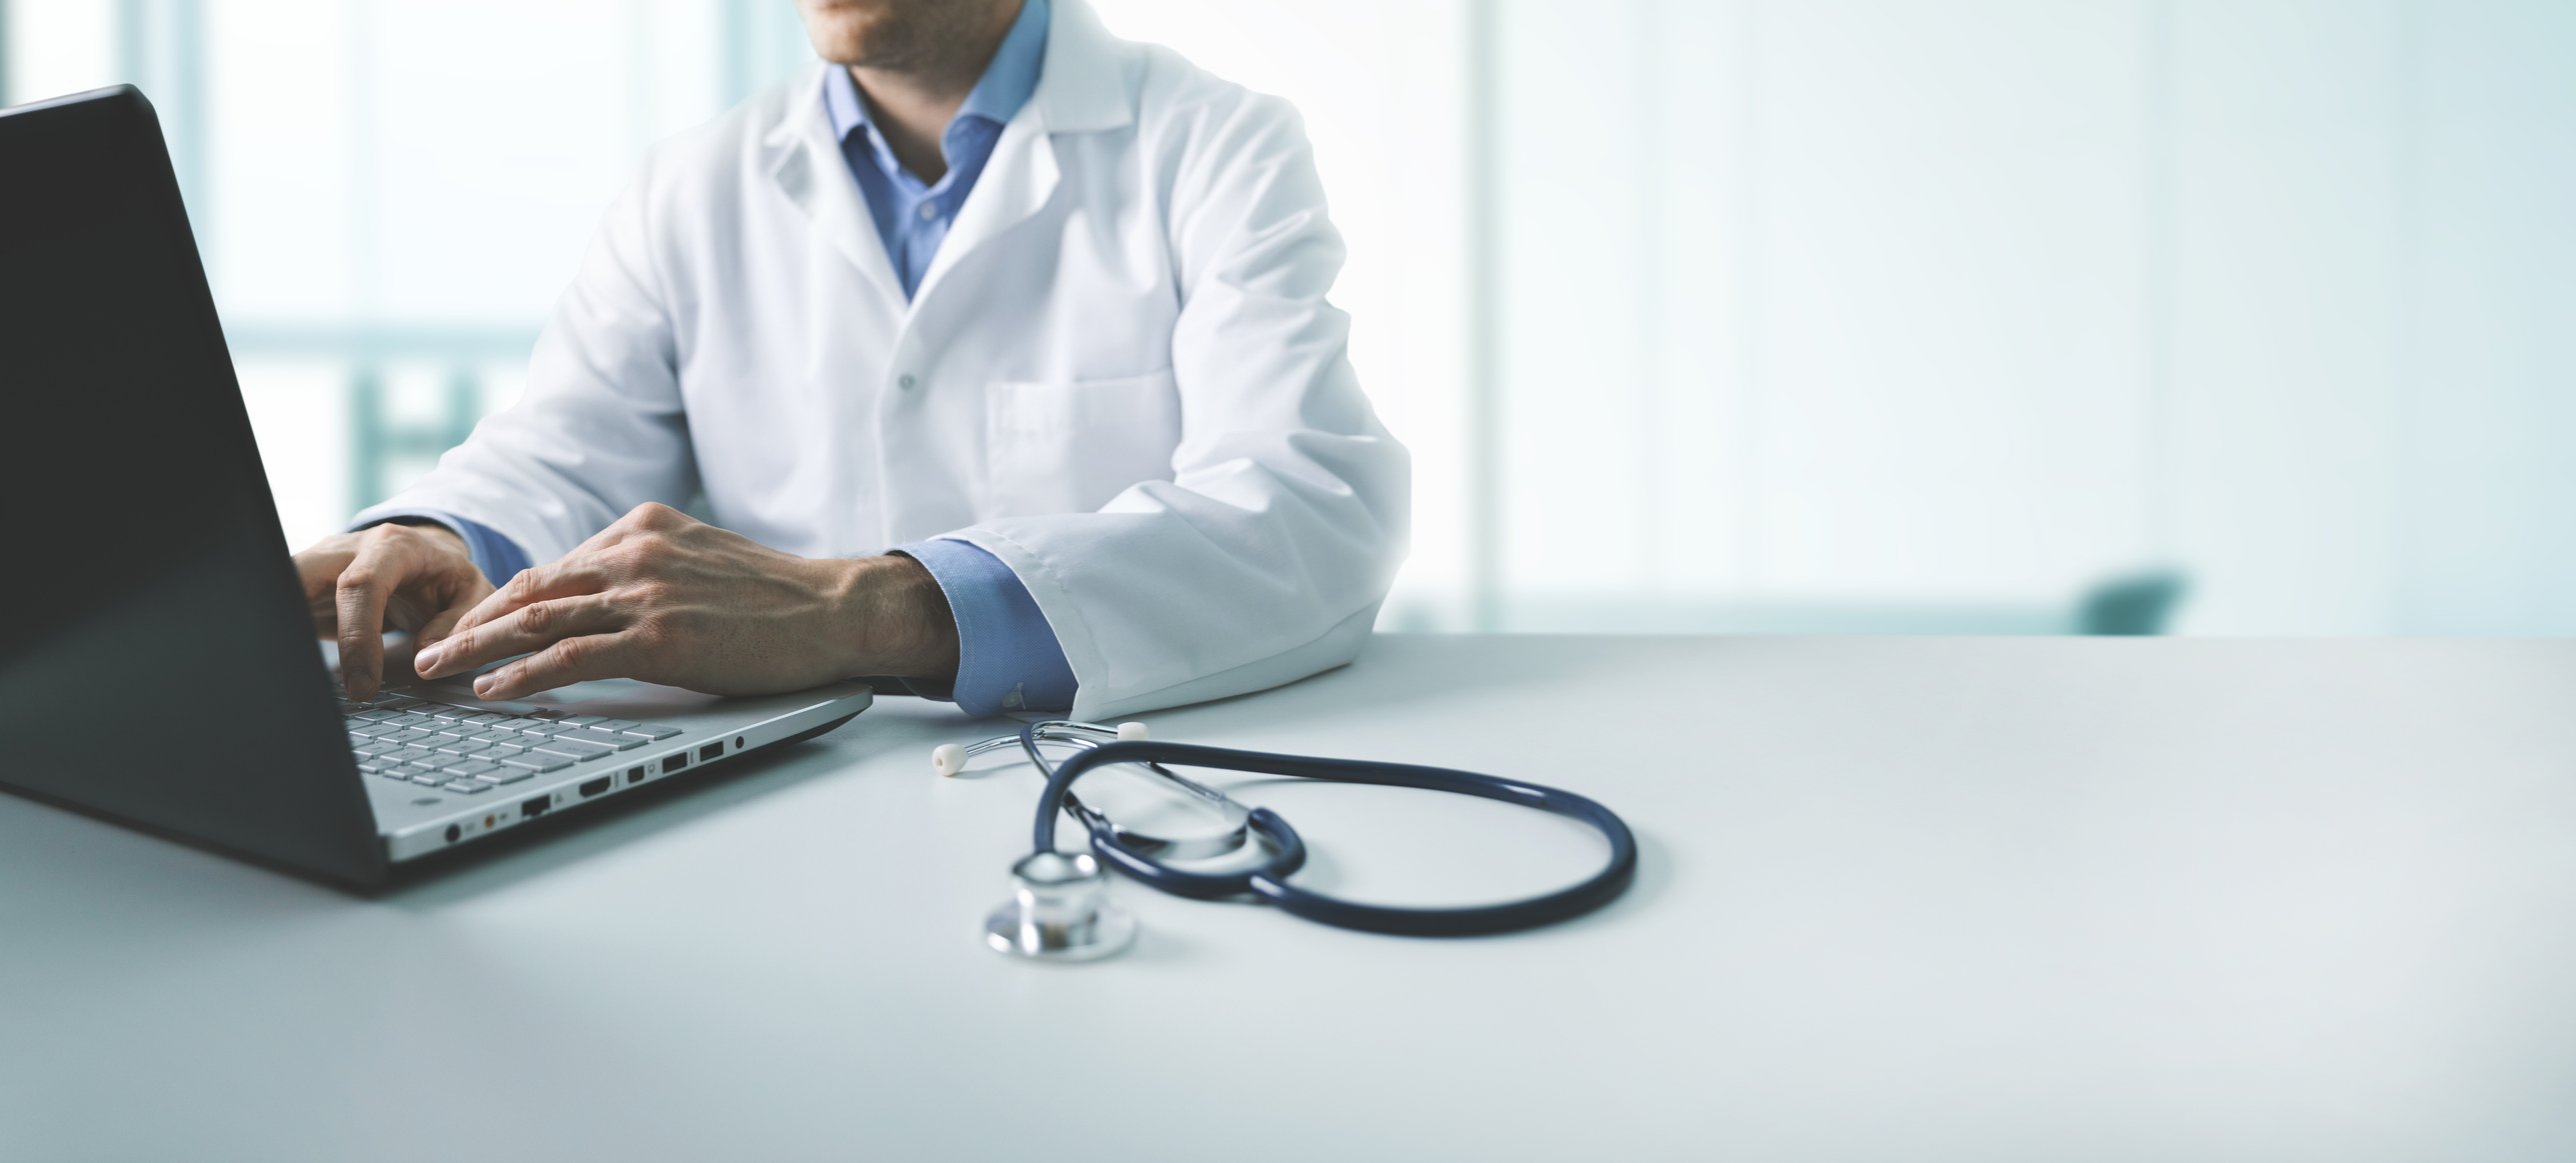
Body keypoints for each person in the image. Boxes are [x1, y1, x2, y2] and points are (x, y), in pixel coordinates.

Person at [295, 0, 1408, 722]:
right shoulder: (691, 186)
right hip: (775, 806)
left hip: (1108, 788)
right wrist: (441, 540)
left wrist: (865, 610)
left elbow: (1310, 512)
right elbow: (562, 449)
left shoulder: (1213, 147)